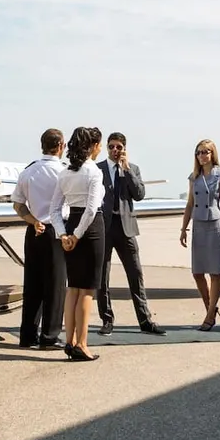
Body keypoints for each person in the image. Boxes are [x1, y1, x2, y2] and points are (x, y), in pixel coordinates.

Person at [97, 132, 165, 336]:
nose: (114, 151)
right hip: (105, 227)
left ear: (124, 148)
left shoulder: (132, 169)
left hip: (126, 228)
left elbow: (140, 194)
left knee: (136, 274)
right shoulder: (98, 169)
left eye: (118, 147)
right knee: (103, 276)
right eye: (111, 147)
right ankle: (107, 319)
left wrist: (127, 171)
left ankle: (145, 320)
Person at [49, 126, 106, 361]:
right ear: (93, 146)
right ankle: (82, 343)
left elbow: (53, 209)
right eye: (99, 144)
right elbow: (92, 209)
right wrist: (78, 235)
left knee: (73, 287)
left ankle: (70, 340)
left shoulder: (65, 173)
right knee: (87, 289)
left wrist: (65, 235)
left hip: (71, 222)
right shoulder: (93, 172)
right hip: (90, 229)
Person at [11, 128, 68, 349]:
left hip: (34, 230)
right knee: (55, 286)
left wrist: (33, 220)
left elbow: (18, 205)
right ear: (61, 146)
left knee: (33, 285)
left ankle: (27, 335)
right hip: (56, 230)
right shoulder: (63, 172)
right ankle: (50, 336)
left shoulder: (29, 171)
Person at [179, 139, 220, 330]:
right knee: (197, 272)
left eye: (205, 152)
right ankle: (210, 308)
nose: (202, 156)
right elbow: (189, 204)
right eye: (199, 152)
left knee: (214, 271)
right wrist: (183, 228)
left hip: (215, 225)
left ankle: (210, 315)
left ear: (213, 154)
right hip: (198, 225)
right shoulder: (194, 176)